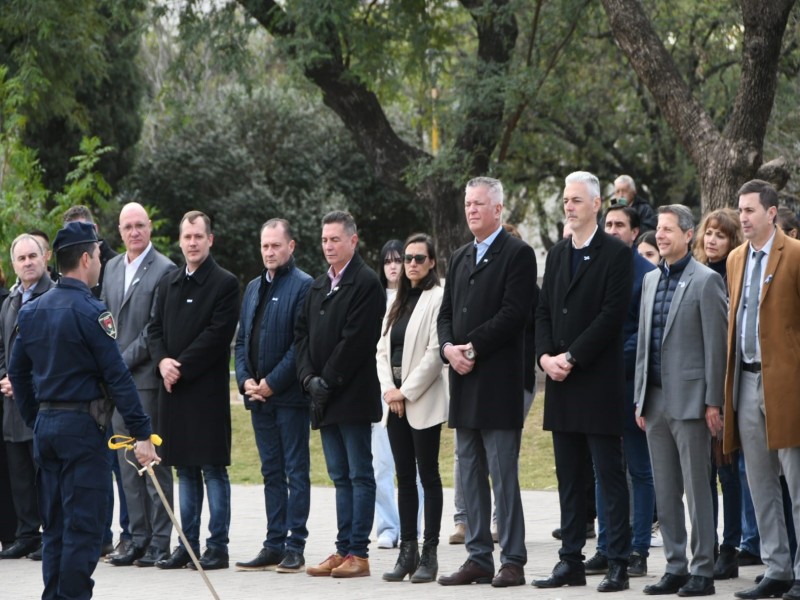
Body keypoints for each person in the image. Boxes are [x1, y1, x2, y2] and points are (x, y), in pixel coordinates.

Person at [8, 221, 158, 600]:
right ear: (87, 259)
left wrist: (35, 416)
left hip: (47, 427)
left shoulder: (32, 310)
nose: (101, 263)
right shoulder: (93, 312)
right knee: (83, 529)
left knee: (55, 528)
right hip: (81, 430)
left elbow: (18, 372)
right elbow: (118, 377)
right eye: (98, 256)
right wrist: (142, 433)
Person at [534, 171, 632, 593]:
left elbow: (612, 316)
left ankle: (618, 562)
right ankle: (570, 560)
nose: (569, 207)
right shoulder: (558, 254)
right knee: (569, 478)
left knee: (608, 476)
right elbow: (542, 311)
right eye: (565, 200)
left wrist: (572, 357)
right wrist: (545, 358)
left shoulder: (615, 254)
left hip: (596, 381)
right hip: (560, 382)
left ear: (596, 204)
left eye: (576, 200)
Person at [437, 176, 536, 588]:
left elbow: (514, 313)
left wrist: (472, 348)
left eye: (479, 203)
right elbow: (445, 313)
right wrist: (448, 349)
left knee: (502, 473)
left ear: (498, 209)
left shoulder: (518, 253)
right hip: (462, 379)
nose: (471, 210)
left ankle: (512, 559)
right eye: (468, 204)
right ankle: (477, 557)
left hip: (498, 381)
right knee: (470, 471)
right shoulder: (460, 256)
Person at [634, 204, 727, 597]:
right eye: (658, 229)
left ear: (689, 235)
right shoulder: (650, 280)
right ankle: (675, 566)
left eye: (669, 229)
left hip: (692, 403)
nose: (660, 235)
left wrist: (713, 402)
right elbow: (644, 344)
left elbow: (716, 347)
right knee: (665, 488)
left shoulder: (706, 281)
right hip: (654, 402)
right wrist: (640, 399)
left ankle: (703, 569)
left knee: (697, 488)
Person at [148, 211, 240, 571]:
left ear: (210, 239)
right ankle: (187, 545)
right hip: (174, 394)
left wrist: (179, 367)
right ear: (180, 240)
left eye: (198, 236)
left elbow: (217, 335)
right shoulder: (168, 282)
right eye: (187, 237)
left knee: (213, 470)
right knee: (184, 471)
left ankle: (217, 548)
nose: (192, 243)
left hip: (206, 394)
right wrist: (162, 362)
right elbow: (154, 329)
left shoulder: (225, 283)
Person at [295, 210, 385, 578]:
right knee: (339, 475)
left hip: (351, 395)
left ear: (353, 240)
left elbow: (356, 341)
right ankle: (343, 547)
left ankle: (358, 553)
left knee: (359, 473)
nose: (328, 246)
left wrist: (326, 381)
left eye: (335, 239)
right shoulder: (318, 286)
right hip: (322, 397)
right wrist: (308, 379)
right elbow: (301, 336)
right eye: (324, 240)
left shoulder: (366, 283)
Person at [722, 180, 800, 600]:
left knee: (797, 482)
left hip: (787, 385)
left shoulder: (796, 255)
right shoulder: (736, 259)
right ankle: (777, 568)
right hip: (745, 381)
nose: (743, 217)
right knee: (760, 484)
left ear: (771, 213)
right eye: (740, 210)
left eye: (750, 210)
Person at [234, 218, 313, 573]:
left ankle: (295, 545)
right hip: (259, 399)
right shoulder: (253, 287)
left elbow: (300, 344)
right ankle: (273, 543)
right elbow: (241, 341)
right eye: (265, 246)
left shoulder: (304, 286)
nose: (269, 252)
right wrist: (245, 380)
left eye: (275, 245)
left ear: (290, 246)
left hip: (289, 398)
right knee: (271, 472)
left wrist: (272, 382)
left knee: (295, 471)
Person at [101, 202, 177, 568]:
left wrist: (117, 362)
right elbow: (103, 318)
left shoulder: (164, 269)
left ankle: (160, 541)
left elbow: (153, 329)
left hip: (144, 381)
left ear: (150, 227)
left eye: (140, 225)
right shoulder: (111, 267)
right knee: (128, 465)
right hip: (117, 384)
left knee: (152, 463)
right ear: (119, 231)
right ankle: (138, 538)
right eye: (127, 226)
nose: (134, 232)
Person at [583, 205, 656, 579]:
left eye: (619, 225)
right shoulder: (595, 266)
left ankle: (638, 549)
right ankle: (606, 547)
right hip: (598, 384)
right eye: (607, 223)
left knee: (639, 469)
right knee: (603, 468)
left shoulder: (646, 275)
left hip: (630, 383)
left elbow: (643, 336)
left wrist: (605, 361)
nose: (611, 229)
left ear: (634, 232)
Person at [377, 233, 448, 584]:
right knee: (403, 477)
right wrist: (390, 392)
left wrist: (405, 393)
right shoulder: (398, 300)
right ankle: (408, 551)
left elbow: (435, 354)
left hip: (422, 401)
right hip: (395, 403)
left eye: (419, 258)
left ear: (432, 262)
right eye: (407, 258)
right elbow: (381, 350)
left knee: (428, 475)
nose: (412, 264)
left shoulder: (438, 297)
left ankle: (429, 552)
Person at [692, 208, 756, 580]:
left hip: (725, 387)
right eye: (709, 233)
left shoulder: (735, 276)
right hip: (694, 387)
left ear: (733, 242)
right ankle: (709, 545)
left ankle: (731, 547)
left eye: (721, 235)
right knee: (703, 476)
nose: (712, 240)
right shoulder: (696, 273)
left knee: (727, 472)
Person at [62, 205, 128, 557]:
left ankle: (129, 534)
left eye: (86, 229)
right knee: (94, 471)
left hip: (115, 373)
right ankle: (100, 536)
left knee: (121, 465)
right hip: (86, 391)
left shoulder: (114, 265)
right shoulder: (65, 278)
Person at [0, 235, 56, 561]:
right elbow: (2, 347)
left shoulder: (54, 296)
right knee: (19, 472)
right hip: (12, 401)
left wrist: (26, 382)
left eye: (32, 256)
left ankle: (52, 534)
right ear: (14, 265)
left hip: (42, 400)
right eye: (21, 258)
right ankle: (27, 535)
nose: (27, 263)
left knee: (45, 474)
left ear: (44, 258)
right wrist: (5, 376)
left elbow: (54, 351)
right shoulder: (9, 301)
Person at [372, 240, 403, 550]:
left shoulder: (417, 297)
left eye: (398, 260)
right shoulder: (375, 297)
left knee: (413, 467)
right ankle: (387, 526)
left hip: (408, 389)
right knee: (381, 464)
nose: (393, 266)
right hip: (379, 389)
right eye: (387, 261)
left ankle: (412, 527)